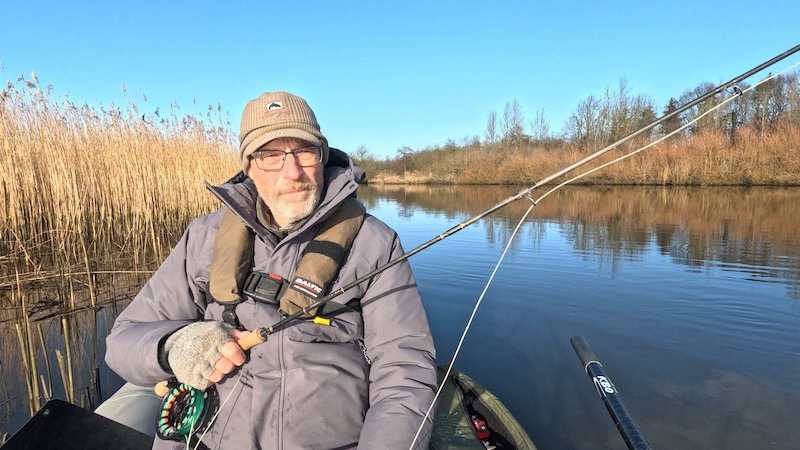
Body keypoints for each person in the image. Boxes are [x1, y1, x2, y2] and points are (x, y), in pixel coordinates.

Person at [105, 91, 438, 449]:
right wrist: (172, 346)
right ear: (249, 165)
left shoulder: (375, 243)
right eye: (270, 155)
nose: (291, 172)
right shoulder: (203, 237)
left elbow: (404, 375)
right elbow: (122, 341)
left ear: (323, 157)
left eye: (304, 152)